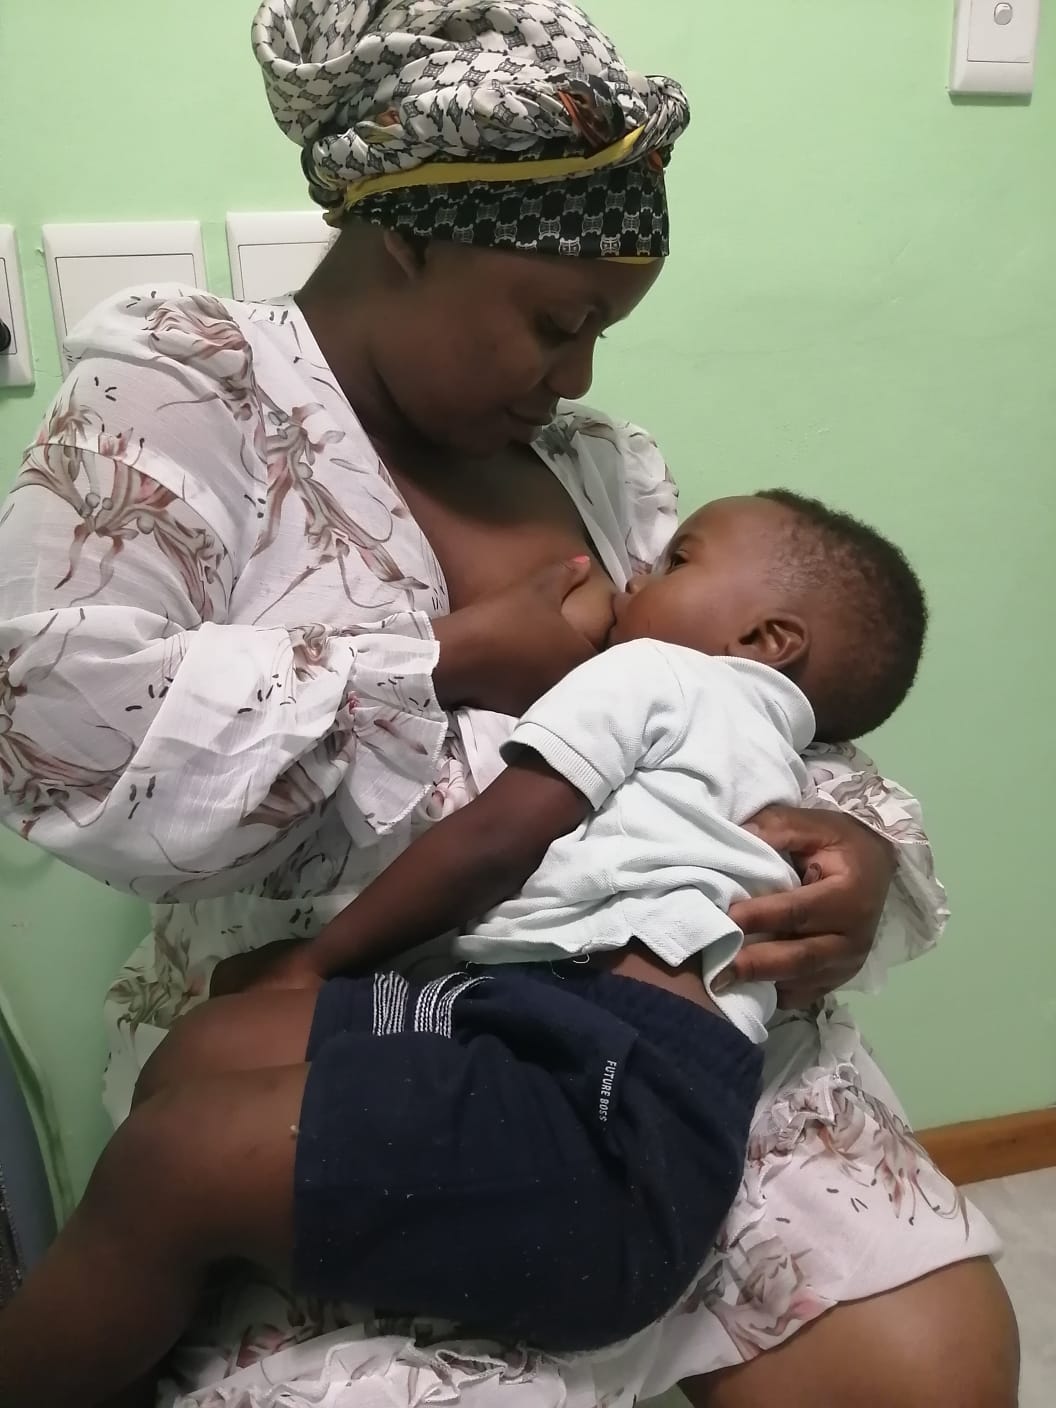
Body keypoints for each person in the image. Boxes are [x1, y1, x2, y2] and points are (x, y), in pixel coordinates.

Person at [0, 2, 1016, 1406]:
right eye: (559, 321)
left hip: (655, 1016)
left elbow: (753, 710)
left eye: (603, 331)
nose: (580, 375)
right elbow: (51, 725)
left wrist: (846, 854)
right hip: (328, 1010)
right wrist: (442, 657)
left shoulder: (605, 471)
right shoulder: (188, 392)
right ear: (405, 239)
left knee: (933, 1364)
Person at [0, 489, 933, 1407]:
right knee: (211, 1050)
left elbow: (493, 843)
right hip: (555, 1023)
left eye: (678, 560)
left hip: (605, 1106)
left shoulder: (659, 673)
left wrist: (315, 962)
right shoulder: (782, 751)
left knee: (169, 1156)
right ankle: (133, 1317)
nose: (639, 569)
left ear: (769, 640)